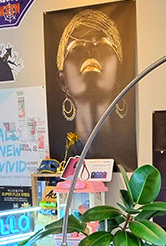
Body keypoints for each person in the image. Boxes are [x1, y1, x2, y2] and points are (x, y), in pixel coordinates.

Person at [54, 8, 131, 166]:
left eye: (103, 44)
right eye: (76, 46)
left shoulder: (127, 167)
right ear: (62, 80)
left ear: (119, 77)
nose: (90, 52)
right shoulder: (63, 166)